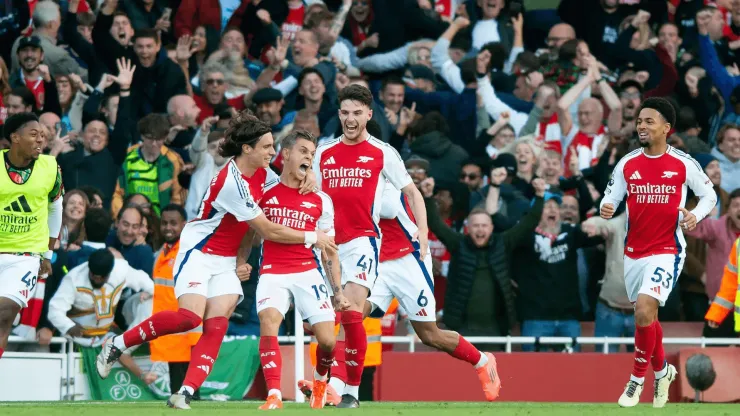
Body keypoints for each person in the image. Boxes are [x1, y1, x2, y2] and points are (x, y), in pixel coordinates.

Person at [94, 111, 337, 410]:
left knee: (217, 324)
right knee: (189, 318)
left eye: (273, 146)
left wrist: (307, 174)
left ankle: (185, 391)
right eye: (266, 146)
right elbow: (266, 229)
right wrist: (313, 237)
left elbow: (285, 180)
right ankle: (116, 345)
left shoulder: (262, 171)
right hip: (199, 252)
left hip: (224, 260)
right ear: (247, 148)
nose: (272, 152)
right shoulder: (232, 181)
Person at [298, 180, 502, 403]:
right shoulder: (338, 175)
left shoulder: (381, 173)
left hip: (407, 258)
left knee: (429, 334)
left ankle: (482, 361)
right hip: (377, 260)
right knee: (351, 315)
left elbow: (387, 208)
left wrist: (344, 196)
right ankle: (334, 387)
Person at [312, 84, 428, 408]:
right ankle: (322, 380)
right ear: (339, 114)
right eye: (345, 113)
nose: (351, 119)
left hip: (363, 241)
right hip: (329, 244)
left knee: (350, 314)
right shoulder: (324, 153)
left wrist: (422, 231)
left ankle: (351, 391)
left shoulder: (382, 152)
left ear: (369, 114)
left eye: (357, 113)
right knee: (326, 320)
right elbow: (313, 198)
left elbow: (413, 192)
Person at [600, 97, 717, 408]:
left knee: (643, 309)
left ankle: (637, 380)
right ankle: (663, 370)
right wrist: (606, 208)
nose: (641, 126)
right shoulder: (627, 163)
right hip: (633, 252)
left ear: (666, 128)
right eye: (639, 121)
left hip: (667, 248)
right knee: (647, 317)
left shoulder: (683, 162)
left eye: (648, 121)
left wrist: (696, 215)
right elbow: (608, 199)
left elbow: (710, 195)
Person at [253, 130, 350, 410]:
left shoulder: (321, 200)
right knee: (268, 320)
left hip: (308, 271)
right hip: (273, 270)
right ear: (285, 154)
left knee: (328, 341)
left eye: (312, 153)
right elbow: (254, 230)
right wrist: (240, 260)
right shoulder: (265, 192)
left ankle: (319, 384)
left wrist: (338, 291)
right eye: (303, 151)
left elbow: (329, 248)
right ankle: (274, 395)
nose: (309, 157)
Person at [0, 112, 63, 360]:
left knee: (5, 311)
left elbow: (56, 208)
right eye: (34, 134)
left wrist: (48, 253)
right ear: (15, 137)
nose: (41, 140)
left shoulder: (50, 167)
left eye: (43, 136)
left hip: (25, 256)